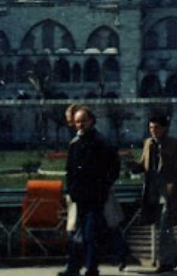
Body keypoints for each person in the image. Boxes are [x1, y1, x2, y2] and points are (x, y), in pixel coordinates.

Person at [130, 114, 177, 274]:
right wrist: (133, 166)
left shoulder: (175, 144)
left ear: (165, 128)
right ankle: (174, 251)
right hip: (153, 190)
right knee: (161, 226)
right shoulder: (148, 143)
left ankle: (165, 261)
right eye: (151, 128)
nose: (153, 131)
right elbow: (144, 165)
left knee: (165, 223)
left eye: (156, 128)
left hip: (170, 191)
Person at [59, 106, 119, 276]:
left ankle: (91, 267)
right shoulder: (75, 143)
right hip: (79, 196)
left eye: (83, 121)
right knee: (76, 234)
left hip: (95, 196)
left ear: (91, 121)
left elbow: (113, 168)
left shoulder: (101, 143)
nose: (80, 124)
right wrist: (71, 189)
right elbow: (70, 170)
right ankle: (75, 266)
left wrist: (103, 187)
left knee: (90, 234)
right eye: (77, 121)